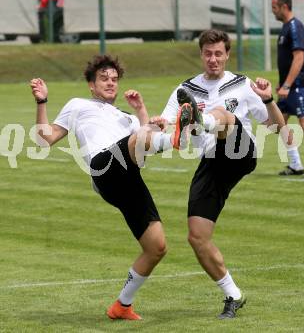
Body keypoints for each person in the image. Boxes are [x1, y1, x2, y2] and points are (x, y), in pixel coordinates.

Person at [30, 54, 193, 321]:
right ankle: (177, 141)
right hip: (103, 167)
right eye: (104, 78)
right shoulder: (78, 105)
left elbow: (143, 145)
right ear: (91, 85)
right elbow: (43, 140)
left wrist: (142, 111)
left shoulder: (126, 118)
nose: (110, 83)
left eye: (114, 79)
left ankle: (122, 306)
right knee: (139, 138)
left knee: (157, 247)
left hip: (128, 176)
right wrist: (41, 101)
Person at [150, 29, 286, 319]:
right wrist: (157, 122)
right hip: (211, 162)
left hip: (240, 153)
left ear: (227, 55)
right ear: (201, 55)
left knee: (223, 115)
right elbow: (166, 124)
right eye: (208, 53)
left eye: (219, 54)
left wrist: (268, 99)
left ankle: (203, 119)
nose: (213, 59)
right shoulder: (185, 88)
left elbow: (278, 129)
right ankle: (233, 295)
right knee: (197, 237)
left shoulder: (242, 84)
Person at [271, 0, 304, 179]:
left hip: (299, 85)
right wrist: (281, 84)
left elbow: (299, 58)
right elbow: (286, 61)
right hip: (288, 86)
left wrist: (288, 85)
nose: (272, 12)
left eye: (274, 8)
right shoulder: (285, 27)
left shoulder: (295, 27)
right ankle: (295, 164)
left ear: (284, 7)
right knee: (277, 124)